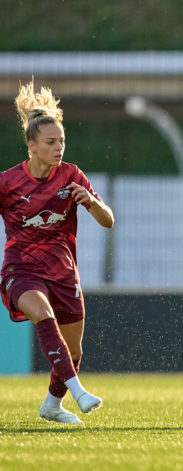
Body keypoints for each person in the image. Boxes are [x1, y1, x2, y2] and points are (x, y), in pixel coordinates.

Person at [0, 81, 115, 424]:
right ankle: (79, 392)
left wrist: (91, 202)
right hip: (21, 272)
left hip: (63, 273)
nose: (59, 148)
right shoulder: (7, 182)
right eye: (51, 143)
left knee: (74, 350)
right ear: (31, 146)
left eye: (62, 141)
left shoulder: (71, 176)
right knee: (43, 315)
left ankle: (52, 405)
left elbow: (108, 221)